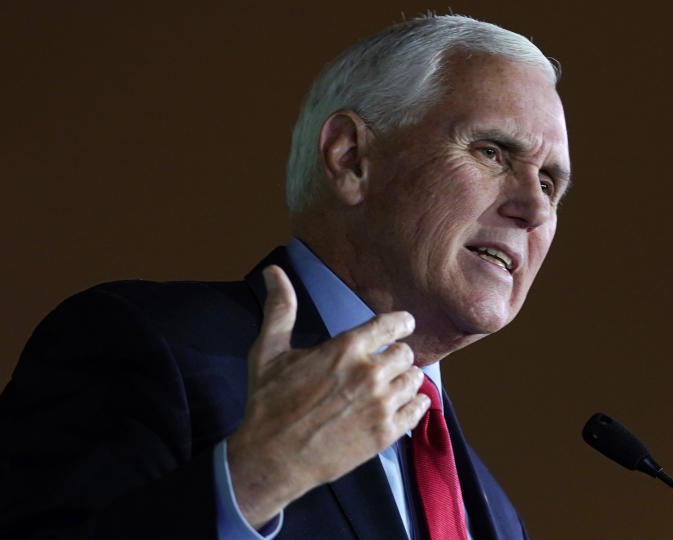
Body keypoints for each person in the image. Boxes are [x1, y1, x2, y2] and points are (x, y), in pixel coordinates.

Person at [0, 14, 570, 540]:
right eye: (492, 152)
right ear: (350, 159)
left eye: (549, 182)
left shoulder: (496, 515)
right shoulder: (144, 347)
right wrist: (251, 481)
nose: (535, 208)